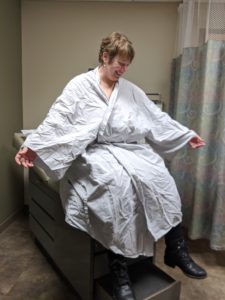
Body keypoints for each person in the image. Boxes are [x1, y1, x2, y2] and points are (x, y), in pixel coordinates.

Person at [15, 32, 207, 300]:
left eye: (128, 65)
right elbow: (58, 118)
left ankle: (176, 247)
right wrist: (33, 145)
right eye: (120, 63)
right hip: (92, 152)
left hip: (128, 148)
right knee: (115, 189)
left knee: (161, 178)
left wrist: (185, 134)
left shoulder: (130, 90)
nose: (124, 70)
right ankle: (119, 271)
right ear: (105, 57)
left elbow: (155, 117)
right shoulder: (80, 86)